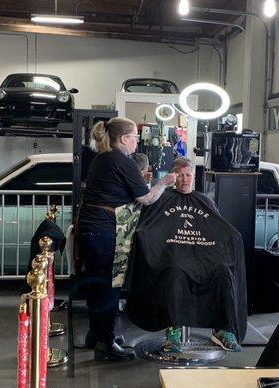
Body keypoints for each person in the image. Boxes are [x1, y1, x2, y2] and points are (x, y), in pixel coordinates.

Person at [77, 117, 177, 362]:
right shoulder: (122, 161)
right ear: (123, 139)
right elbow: (147, 198)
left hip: (91, 227)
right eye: (134, 137)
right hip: (105, 230)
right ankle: (106, 344)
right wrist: (165, 182)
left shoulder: (102, 158)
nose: (137, 143)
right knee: (108, 285)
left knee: (96, 284)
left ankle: (98, 333)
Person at [126, 157, 247, 353]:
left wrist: (234, 237)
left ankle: (223, 330)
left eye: (188, 175)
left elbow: (219, 229)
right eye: (180, 175)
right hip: (172, 254)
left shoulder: (205, 201)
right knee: (176, 270)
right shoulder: (162, 199)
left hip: (203, 255)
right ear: (173, 177)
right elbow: (147, 227)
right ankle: (173, 331)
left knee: (223, 271)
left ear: (194, 176)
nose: (184, 180)